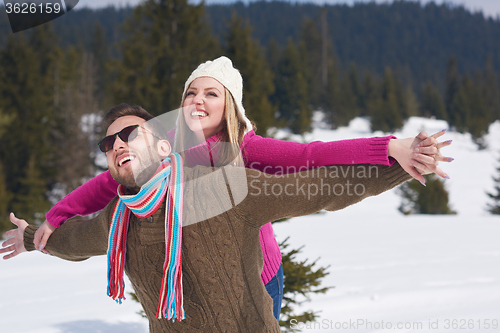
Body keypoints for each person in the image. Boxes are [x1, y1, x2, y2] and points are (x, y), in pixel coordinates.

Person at [32, 57, 451, 320]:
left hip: (255, 273)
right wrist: (54, 218)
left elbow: (313, 158)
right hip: (188, 270)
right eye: (191, 91)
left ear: (228, 103)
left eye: (211, 93)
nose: (197, 100)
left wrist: (390, 148)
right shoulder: (166, 144)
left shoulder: (247, 148)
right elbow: (107, 182)